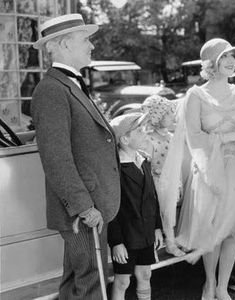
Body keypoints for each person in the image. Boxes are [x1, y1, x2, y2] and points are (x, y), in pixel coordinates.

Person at [158, 38, 235, 300]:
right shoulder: (196, 95)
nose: (231, 61)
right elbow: (194, 137)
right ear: (211, 63)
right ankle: (209, 283)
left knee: (232, 232)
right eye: (225, 57)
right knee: (213, 231)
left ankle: (223, 287)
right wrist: (224, 142)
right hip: (210, 170)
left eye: (233, 57)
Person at [31, 14, 120, 299]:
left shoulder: (68, 84)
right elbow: (56, 158)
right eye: (86, 39)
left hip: (90, 206)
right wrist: (84, 207)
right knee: (92, 283)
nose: (92, 46)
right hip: (83, 211)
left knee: (75, 283)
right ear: (65, 44)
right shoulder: (51, 90)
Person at [108, 112, 164, 300]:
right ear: (124, 139)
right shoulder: (116, 169)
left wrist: (157, 227)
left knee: (145, 274)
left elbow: (152, 197)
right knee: (123, 281)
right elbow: (112, 207)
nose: (145, 133)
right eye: (139, 130)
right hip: (126, 236)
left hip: (146, 232)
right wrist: (116, 242)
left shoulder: (143, 160)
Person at [140, 95, 185, 257]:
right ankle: (153, 245)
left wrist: (178, 182)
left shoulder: (171, 138)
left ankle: (171, 243)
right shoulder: (148, 140)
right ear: (157, 117)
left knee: (169, 213)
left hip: (170, 183)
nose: (172, 115)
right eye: (168, 113)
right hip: (155, 183)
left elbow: (176, 163)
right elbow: (146, 165)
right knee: (155, 214)